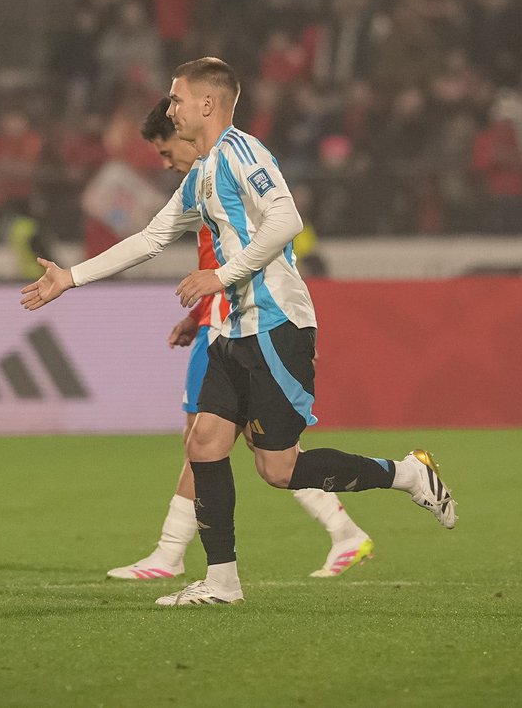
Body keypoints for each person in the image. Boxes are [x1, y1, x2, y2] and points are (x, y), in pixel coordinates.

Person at [22, 58, 456, 607]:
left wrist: (220, 275)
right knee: (204, 443)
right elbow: (152, 237)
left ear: (207, 104)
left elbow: (287, 219)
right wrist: (72, 276)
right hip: (232, 328)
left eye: (176, 98)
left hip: (276, 327)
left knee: (280, 469)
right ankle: (222, 581)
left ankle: (407, 475)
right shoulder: (201, 171)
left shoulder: (241, 152)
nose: (170, 107)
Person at [105, 99, 373, 582]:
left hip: (244, 325)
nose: (167, 164)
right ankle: (343, 530)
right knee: (255, 448)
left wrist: (216, 309)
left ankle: (171, 554)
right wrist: (199, 314)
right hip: (220, 319)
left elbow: (265, 244)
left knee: (208, 441)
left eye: (167, 152)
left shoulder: (225, 170)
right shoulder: (203, 187)